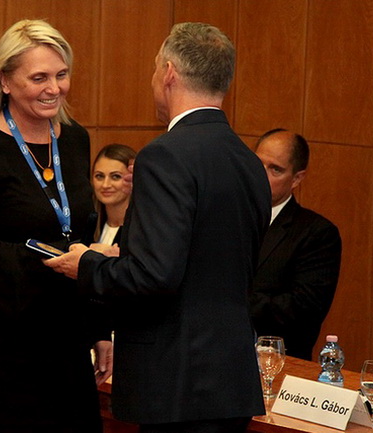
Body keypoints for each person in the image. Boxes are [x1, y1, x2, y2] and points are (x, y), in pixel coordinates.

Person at [47, 22, 270, 433]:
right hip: (230, 379)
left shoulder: (165, 156)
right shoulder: (248, 160)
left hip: (177, 382)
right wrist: (125, 255)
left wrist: (89, 264)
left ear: (168, 73)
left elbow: (155, 275)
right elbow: (206, 259)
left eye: (153, 68)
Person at [0, 19, 111, 433]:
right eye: (39, 78)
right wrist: (56, 258)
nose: (54, 88)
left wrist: (98, 328)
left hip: (66, 344)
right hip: (1, 349)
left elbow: (82, 236)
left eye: (61, 74)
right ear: (5, 81)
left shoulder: (74, 139)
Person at [249, 129, 342, 361]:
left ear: (297, 179)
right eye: (257, 164)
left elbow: (302, 309)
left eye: (275, 169)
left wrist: (229, 301)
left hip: (279, 363)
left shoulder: (317, 233)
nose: (261, 175)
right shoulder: (226, 217)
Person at [91, 143, 136, 246]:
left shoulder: (141, 232)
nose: (105, 185)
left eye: (116, 176)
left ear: (132, 180)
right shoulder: (90, 226)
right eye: (99, 176)